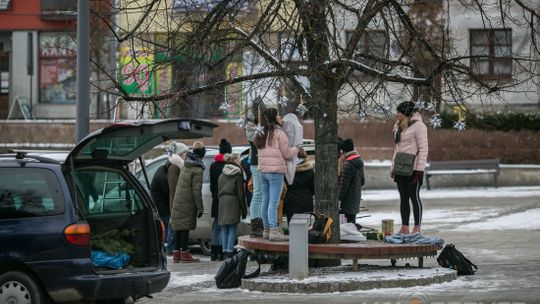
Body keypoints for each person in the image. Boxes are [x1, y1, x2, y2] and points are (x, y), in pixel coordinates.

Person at [255, 108, 298, 241]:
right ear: (274, 118)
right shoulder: (279, 133)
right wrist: (297, 148)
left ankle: (267, 230)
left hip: (263, 171)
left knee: (265, 201)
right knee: (273, 202)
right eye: (279, 115)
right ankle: (274, 230)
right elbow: (286, 153)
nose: (281, 117)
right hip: (276, 171)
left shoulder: (260, 133)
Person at [391, 101, 429, 235]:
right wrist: (393, 167)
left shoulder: (419, 126)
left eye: (399, 112)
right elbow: (397, 149)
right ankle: (405, 227)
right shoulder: (398, 126)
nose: (397, 114)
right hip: (401, 168)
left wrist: (419, 170)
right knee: (403, 198)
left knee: (414, 197)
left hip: (413, 169)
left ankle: (417, 227)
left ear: (406, 113)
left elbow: (423, 149)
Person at [170, 141, 206, 263]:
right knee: (184, 227)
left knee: (179, 227)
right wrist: (200, 207)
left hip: (179, 199)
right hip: (187, 201)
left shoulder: (186, 164)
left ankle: (176, 254)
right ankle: (184, 253)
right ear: (202, 155)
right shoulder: (197, 169)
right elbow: (196, 191)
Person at [217, 153, 248, 258]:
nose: (240, 162)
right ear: (235, 161)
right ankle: (230, 251)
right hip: (233, 201)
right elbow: (240, 193)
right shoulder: (237, 174)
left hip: (222, 202)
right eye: (239, 160)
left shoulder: (222, 174)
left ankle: (225, 250)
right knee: (232, 227)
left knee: (224, 227)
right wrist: (244, 210)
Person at [164, 142, 190, 256]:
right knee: (177, 228)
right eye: (185, 153)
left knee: (178, 228)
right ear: (179, 154)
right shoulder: (174, 167)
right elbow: (174, 188)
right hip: (176, 202)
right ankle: (176, 252)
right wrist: (175, 206)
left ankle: (178, 252)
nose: (186, 155)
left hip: (179, 201)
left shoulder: (179, 166)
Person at [209, 138, 232, 261]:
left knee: (216, 225)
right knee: (226, 226)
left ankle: (213, 253)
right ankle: (224, 251)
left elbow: (212, 185)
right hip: (227, 199)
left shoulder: (213, 166)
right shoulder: (229, 166)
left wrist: (214, 195)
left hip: (216, 199)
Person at [283, 147, 315, 224]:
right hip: (306, 200)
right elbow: (313, 188)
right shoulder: (309, 170)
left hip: (291, 200)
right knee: (306, 225)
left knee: (292, 225)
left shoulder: (287, 170)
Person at [338, 138, 365, 224]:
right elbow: (362, 181)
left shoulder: (348, 164)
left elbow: (344, 185)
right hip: (355, 198)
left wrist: (339, 200)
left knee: (346, 226)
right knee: (352, 224)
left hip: (347, 201)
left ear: (343, 150)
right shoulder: (359, 161)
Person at [245, 119, 263, 238]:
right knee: (258, 194)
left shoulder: (253, 128)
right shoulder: (253, 129)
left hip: (257, 163)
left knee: (260, 195)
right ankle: (255, 224)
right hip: (257, 163)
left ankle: (258, 222)